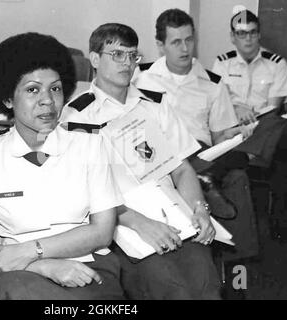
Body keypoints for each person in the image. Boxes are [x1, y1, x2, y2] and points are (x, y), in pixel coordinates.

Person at [0, 32, 125, 300]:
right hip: (14, 272)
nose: (47, 100)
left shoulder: (91, 147)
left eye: (55, 88)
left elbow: (102, 232)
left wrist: (30, 250)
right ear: (8, 99)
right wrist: (43, 265)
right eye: (32, 89)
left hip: (88, 267)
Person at [61, 23, 220, 299]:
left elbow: (182, 169)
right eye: (117, 55)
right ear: (95, 59)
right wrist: (139, 222)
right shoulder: (78, 116)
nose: (127, 63)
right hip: (123, 225)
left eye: (132, 55)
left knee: (207, 283)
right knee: (172, 287)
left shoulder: (155, 104)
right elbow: (83, 193)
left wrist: (200, 208)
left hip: (173, 217)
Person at [134, 9, 259, 263]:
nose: (185, 48)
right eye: (176, 42)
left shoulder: (213, 83)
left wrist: (234, 135)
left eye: (189, 40)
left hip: (200, 153)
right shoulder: (141, 78)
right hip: (156, 158)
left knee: (238, 171)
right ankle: (205, 182)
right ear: (160, 45)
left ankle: (238, 265)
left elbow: (219, 136)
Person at [212, 9, 287, 241]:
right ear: (232, 37)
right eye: (241, 33)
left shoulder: (276, 64)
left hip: (263, 127)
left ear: (259, 35)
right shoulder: (221, 64)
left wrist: (252, 118)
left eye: (252, 33)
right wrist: (237, 110)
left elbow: (275, 107)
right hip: (232, 128)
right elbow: (217, 103)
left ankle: (240, 158)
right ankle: (246, 156)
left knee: (280, 127)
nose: (247, 39)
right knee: (283, 149)